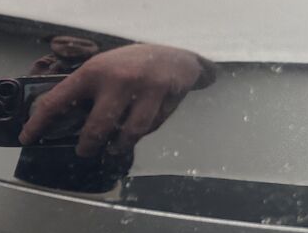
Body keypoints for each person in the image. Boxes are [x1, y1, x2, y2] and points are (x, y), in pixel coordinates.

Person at [14, 39, 217, 193]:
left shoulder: (128, 64)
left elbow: (209, 68)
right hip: (30, 174)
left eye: (82, 41)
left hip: (100, 178)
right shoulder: (45, 66)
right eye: (63, 41)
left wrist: (181, 59)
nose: (71, 45)